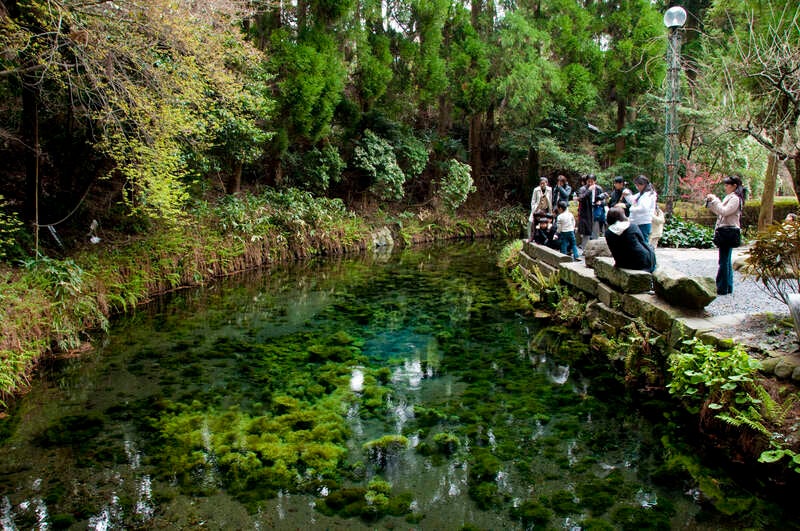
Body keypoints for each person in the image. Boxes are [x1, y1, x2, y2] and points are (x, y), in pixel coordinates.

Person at [706, 175, 745, 295]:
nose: (726, 187)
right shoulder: (730, 197)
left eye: (728, 185)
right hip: (725, 230)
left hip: (728, 231)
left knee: (723, 260)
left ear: (734, 186)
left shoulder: (735, 198)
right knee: (725, 260)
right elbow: (720, 212)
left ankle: (722, 287)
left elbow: (724, 211)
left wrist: (715, 200)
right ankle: (727, 286)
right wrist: (711, 202)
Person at [604, 207, 656, 272]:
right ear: (623, 216)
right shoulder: (632, 226)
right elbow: (642, 242)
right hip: (640, 262)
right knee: (650, 250)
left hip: (622, 263)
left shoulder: (608, 232)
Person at [627, 175, 657, 241]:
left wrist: (632, 209)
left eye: (638, 185)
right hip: (637, 221)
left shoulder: (648, 194)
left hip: (643, 222)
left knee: (643, 242)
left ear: (643, 184)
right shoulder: (641, 193)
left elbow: (644, 208)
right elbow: (633, 200)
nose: (637, 187)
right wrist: (627, 195)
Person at [577, 174, 603, 251]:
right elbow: (581, 198)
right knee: (586, 232)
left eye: (592, 182)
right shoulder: (583, 189)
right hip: (586, 213)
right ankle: (584, 249)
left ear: (595, 181)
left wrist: (600, 201)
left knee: (595, 231)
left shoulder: (598, 189)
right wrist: (589, 190)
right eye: (589, 181)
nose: (590, 183)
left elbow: (603, 198)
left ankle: (595, 250)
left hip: (596, 211)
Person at [528, 177, 553, 241]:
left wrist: (550, 210)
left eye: (543, 183)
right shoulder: (536, 190)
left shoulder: (549, 190)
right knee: (533, 222)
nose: (542, 185)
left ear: (546, 183)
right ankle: (531, 237)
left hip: (545, 209)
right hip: (537, 210)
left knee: (544, 224)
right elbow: (533, 200)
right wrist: (534, 209)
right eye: (541, 183)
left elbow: (550, 199)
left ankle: (543, 239)